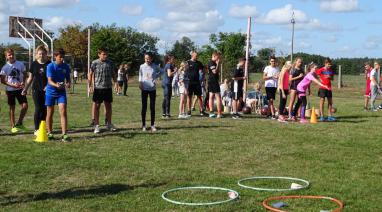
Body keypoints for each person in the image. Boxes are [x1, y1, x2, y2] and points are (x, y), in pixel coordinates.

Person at [23, 45, 51, 136]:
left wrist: (48, 85)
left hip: (47, 90)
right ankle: (36, 129)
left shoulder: (49, 64)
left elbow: (52, 77)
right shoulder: (34, 64)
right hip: (36, 89)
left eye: (43, 54)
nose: (41, 55)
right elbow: (30, 78)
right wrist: (25, 89)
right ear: (37, 54)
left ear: (46, 54)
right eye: (39, 54)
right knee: (38, 108)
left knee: (45, 109)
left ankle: (43, 128)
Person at [88, 48, 117, 134]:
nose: (105, 56)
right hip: (98, 88)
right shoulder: (94, 63)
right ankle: (96, 125)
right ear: (99, 54)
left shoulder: (110, 63)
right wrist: (89, 85)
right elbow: (90, 74)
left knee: (108, 106)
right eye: (103, 54)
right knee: (97, 106)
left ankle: (109, 124)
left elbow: (113, 74)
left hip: (108, 88)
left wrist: (115, 83)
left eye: (106, 54)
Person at [45, 49, 71, 141]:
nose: (62, 59)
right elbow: (49, 80)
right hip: (50, 92)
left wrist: (68, 83)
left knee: (63, 111)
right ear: (55, 56)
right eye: (60, 57)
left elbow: (68, 79)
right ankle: (50, 133)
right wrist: (56, 85)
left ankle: (64, 134)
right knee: (50, 113)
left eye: (63, 57)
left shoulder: (66, 66)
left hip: (61, 92)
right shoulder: (50, 66)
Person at [0, 48, 28, 133]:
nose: (11, 56)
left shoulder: (20, 64)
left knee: (25, 106)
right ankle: (13, 126)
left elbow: (25, 74)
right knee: (12, 108)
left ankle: (19, 123)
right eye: (9, 55)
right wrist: (13, 85)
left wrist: (23, 82)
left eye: (12, 54)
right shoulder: (5, 68)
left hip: (20, 89)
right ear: (6, 57)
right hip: (10, 90)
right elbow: (3, 81)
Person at [139, 53, 163, 132]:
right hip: (144, 89)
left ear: (151, 58)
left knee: (152, 107)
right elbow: (140, 75)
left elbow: (162, 71)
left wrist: (155, 77)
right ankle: (143, 125)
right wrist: (140, 83)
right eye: (146, 58)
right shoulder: (142, 66)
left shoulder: (155, 66)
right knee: (144, 107)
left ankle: (152, 125)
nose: (147, 60)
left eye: (148, 58)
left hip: (152, 89)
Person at [187, 51, 208, 116]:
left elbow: (204, 69)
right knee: (189, 96)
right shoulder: (187, 62)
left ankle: (201, 111)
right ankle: (189, 111)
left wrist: (204, 75)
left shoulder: (199, 63)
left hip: (197, 82)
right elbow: (182, 69)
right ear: (192, 55)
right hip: (189, 82)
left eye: (197, 56)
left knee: (199, 97)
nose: (197, 57)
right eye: (196, 56)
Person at [207, 52, 223, 118]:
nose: (219, 58)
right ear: (214, 56)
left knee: (211, 96)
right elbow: (215, 72)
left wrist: (217, 65)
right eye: (218, 57)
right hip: (213, 81)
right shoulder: (211, 62)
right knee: (218, 96)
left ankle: (212, 113)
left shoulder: (213, 63)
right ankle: (219, 113)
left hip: (212, 81)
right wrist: (218, 63)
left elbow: (217, 71)